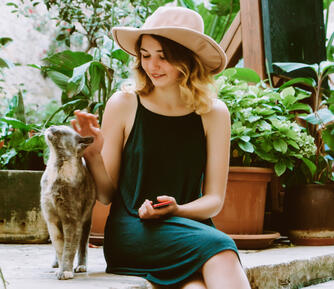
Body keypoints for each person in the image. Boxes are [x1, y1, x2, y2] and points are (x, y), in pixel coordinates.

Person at [71, 6, 252, 289]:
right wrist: (92, 153)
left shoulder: (214, 113)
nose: (152, 66)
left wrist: (176, 210)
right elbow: (107, 195)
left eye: (163, 57)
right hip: (133, 231)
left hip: (189, 229)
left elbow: (214, 200)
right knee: (222, 247)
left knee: (196, 287)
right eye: (145, 55)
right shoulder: (124, 104)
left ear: (188, 59)